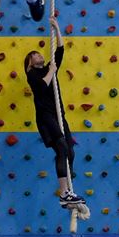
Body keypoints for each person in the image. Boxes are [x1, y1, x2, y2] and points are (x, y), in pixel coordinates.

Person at [25, 16, 85, 208]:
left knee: (70, 151)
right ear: (29, 63)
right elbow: (43, 87)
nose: (38, 55)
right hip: (46, 117)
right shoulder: (32, 75)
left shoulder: (50, 67)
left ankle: (68, 191)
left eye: (38, 53)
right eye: (33, 54)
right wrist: (51, 70)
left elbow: (60, 50)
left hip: (60, 116)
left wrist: (57, 28)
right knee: (60, 147)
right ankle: (64, 193)